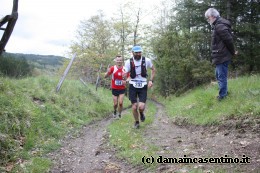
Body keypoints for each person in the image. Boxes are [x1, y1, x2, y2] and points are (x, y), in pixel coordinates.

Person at [205, 8, 238, 101]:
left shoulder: (219, 26)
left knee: (221, 76)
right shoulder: (218, 25)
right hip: (220, 55)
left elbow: (229, 40)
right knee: (218, 75)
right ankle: (224, 93)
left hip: (222, 56)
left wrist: (233, 52)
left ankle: (222, 96)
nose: (208, 20)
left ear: (212, 16)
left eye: (208, 18)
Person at [123, 45, 155, 128]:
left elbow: (153, 69)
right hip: (133, 85)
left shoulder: (146, 60)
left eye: (139, 52)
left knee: (141, 107)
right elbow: (125, 73)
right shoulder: (128, 62)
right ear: (132, 53)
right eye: (136, 52)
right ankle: (137, 122)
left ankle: (141, 113)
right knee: (134, 107)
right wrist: (125, 78)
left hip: (143, 85)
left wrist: (151, 80)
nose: (138, 54)